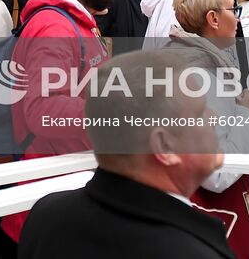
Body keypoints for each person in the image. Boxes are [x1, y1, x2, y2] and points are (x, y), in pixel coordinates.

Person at [18, 50, 234, 259]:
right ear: (164, 146)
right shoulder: (192, 251)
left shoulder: (45, 216)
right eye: (200, 112)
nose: (213, 117)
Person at [4, 0, 111, 242]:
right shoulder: (54, 28)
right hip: (53, 205)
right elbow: (45, 111)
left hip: (70, 194)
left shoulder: (73, 22)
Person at [166, 0, 249, 259]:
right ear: (213, 18)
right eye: (232, 10)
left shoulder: (185, 59)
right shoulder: (199, 73)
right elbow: (215, 172)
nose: (237, 19)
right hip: (225, 219)